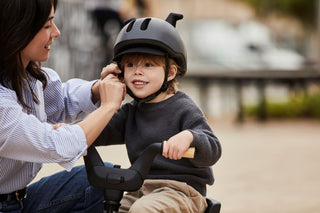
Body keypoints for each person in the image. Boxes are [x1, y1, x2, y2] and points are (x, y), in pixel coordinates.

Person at [0, 0, 125, 212]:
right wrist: (108, 107)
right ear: (19, 28)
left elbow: (61, 99)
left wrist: (98, 89)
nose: (56, 32)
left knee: (107, 179)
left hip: (20, 199)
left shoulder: (26, 76)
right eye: (47, 25)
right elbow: (57, 145)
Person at [94, 13, 222, 213]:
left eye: (148, 65)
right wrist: (71, 132)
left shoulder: (183, 108)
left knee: (142, 211)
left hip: (181, 191)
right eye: (130, 65)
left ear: (170, 73)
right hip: (140, 189)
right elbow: (98, 131)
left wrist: (189, 137)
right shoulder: (130, 112)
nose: (137, 71)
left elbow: (213, 149)